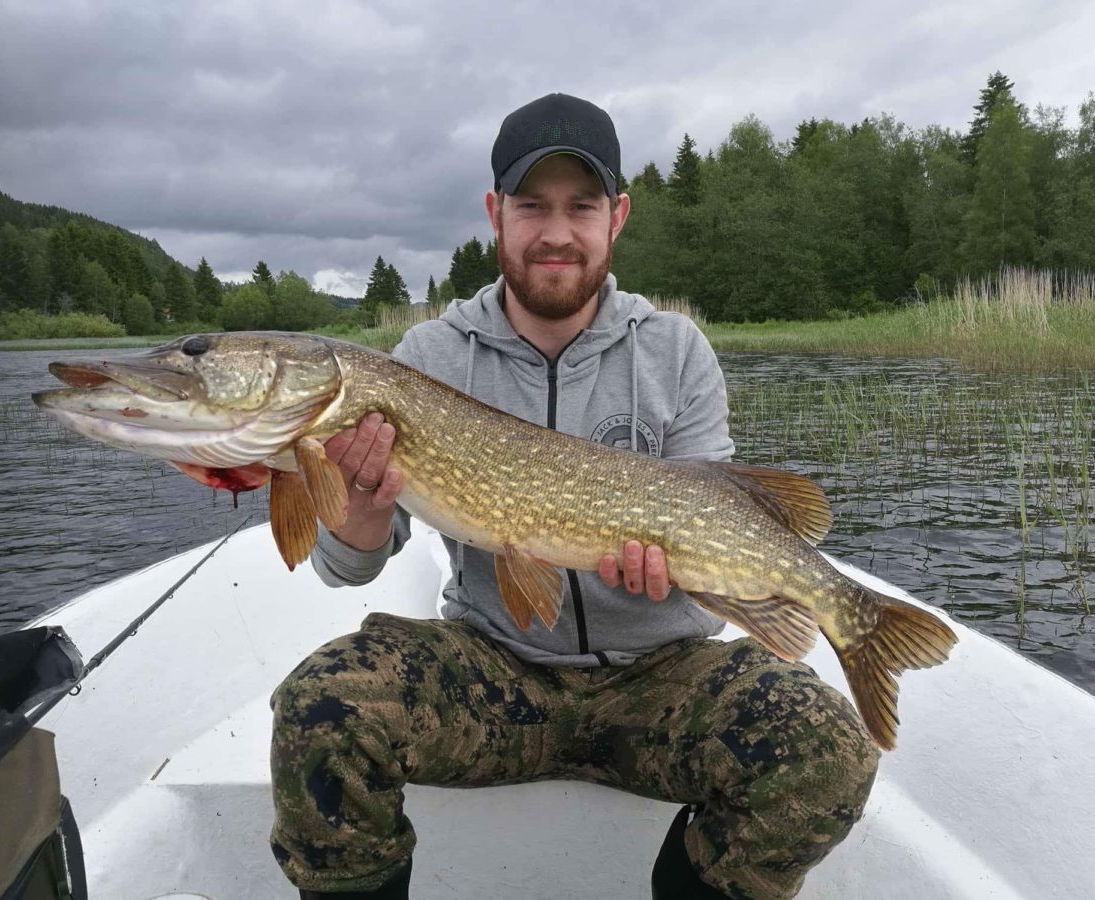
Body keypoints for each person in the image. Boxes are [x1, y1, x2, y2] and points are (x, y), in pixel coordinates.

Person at [269, 93, 879, 900]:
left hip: (662, 678)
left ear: (616, 216)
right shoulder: (426, 359)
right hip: (492, 676)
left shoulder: (675, 350)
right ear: (496, 214)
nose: (556, 231)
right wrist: (368, 503)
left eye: (580, 207)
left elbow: (727, 524)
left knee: (829, 747)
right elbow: (348, 569)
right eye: (531, 206)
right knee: (322, 707)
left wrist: (693, 575)